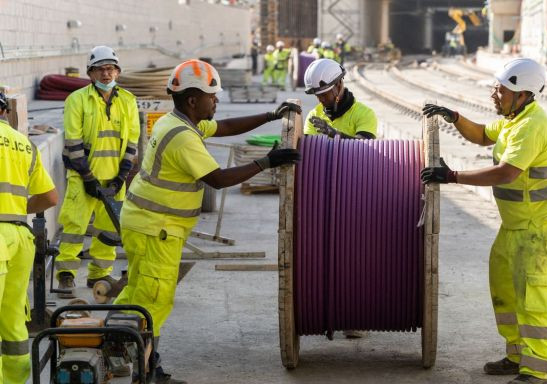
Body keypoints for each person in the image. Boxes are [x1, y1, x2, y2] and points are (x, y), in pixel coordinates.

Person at [113, 59, 301, 383]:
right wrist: (266, 161)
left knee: (138, 292)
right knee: (156, 300)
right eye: (211, 96)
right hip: (155, 228)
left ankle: (112, 339)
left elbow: (225, 127)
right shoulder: (183, 136)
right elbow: (217, 178)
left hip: (147, 224)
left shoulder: (181, 122)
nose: (216, 101)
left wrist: (270, 115)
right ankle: (147, 370)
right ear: (192, 100)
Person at [422, 58, 547, 384]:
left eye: (501, 89)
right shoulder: (513, 119)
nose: (494, 93)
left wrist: (453, 176)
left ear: (523, 94)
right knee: (504, 287)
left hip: (541, 227)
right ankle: (516, 355)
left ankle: (535, 369)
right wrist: (455, 117)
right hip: (516, 225)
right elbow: (481, 135)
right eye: (496, 87)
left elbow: (506, 173)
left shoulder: (532, 126)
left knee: (535, 297)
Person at [55, 45, 139, 297]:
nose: (106, 74)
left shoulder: (128, 100)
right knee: (74, 226)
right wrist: (89, 177)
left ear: (117, 72)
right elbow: (73, 141)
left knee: (110, 229)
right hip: (83, 178)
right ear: (90, 73)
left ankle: (99, 274)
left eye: (111, 68)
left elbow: (132, 141)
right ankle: (66, 275)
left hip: (114, 178)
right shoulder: (77, 99)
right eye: (101, 69)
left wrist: (121, 176)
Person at [0, 92, 58, 384]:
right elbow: (49, 197)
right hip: (19, 236)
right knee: (12, 322)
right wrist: (13, 209)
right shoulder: (23, 143)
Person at [303, 58, 377, 140]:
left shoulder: (365, 114)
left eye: (324, 95)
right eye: (317, 95)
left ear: (338, 85)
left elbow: (365, 148)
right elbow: (306, 148)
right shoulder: (314, 115)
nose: (321, 100)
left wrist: (335, 134)